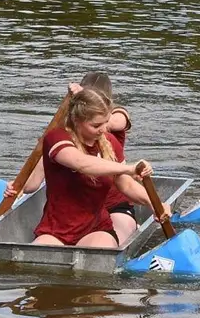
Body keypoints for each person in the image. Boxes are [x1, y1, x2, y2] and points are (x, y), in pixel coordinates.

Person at [24, 83, 167, 249]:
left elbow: (125, 184)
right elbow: (81, 163)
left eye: (105, 123)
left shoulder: (109, 142)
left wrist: (155, 204)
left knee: (99, 253)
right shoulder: (56, 138)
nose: (103, 130)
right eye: (96, 125)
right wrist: (128, 168)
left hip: (96, 228)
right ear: (77, 120)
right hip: (56, 230)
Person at [8, 72, 135, 241]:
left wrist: (93, 114)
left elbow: (117, 122)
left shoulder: (114, 117)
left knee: (112, 238)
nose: (103, 128)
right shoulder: (59, 139)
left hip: (111, 203)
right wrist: (18, 188)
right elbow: (36, 180)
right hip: (76, 207)